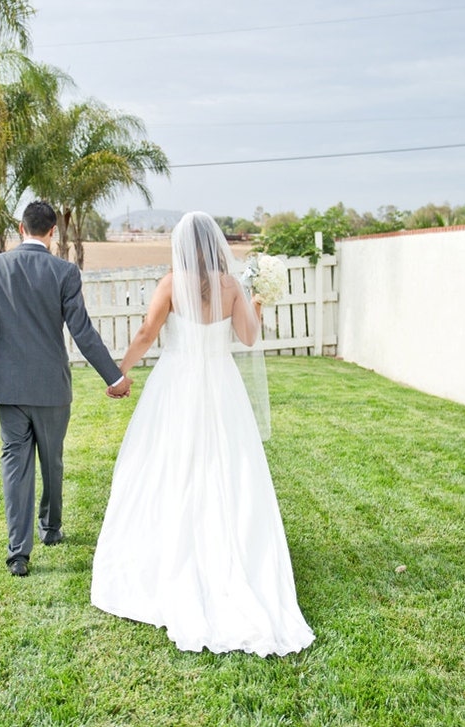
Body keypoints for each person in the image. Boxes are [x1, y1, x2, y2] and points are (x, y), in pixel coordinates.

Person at [91, 211, 315, 656]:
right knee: (227, 468)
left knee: (165, 466)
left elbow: (146, 332)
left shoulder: (171, 284)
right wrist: (258, 301)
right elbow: (249, 339)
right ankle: (231, 555)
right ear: (214, 246)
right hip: (221, 385)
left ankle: (170, 557)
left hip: (177, 383)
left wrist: (118, 371)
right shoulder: (233, 286)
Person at [0, 200, 131, 578]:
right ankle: (50, 529)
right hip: (52, 387)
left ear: (20, 229)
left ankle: (18, 552)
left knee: (14, 466)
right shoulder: (65, 272)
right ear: (53, 232)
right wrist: (114, 377)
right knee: (51, 460)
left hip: (8, 388)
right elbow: (82, 332)